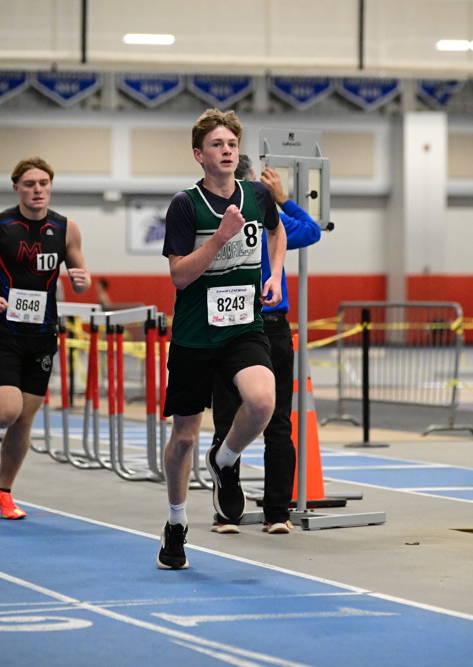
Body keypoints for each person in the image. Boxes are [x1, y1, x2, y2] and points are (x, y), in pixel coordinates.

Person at [158, 109, 285, 569]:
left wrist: (275, 274)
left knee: (262, 402)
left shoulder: (257, 195)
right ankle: (176, 522)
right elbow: (178, 275)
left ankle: (226, 460)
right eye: (217, 144)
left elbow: (277, 231)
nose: (227, 150)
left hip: (243, 328)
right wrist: (220, 237)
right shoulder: (185, 205)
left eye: (232, 143)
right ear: (200, 155)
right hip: (195, 336)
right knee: (184, 438)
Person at [0, 157, 91, 520]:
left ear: (50, 186)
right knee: (5, 412)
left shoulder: (66, 228)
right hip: (5, 332)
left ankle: (4, 492)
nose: (37, 189)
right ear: (17, 187)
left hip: (42, 336)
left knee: (23, 421)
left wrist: (82, 280)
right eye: (29, 184)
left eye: (43, 183)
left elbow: (81, 274)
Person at [211, 154, 322, 534]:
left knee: (230, 421)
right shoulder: (266, 213)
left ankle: (229, 515)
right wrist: (283, 198)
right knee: (276, 423)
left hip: (237, 324)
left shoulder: (224, 216)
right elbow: (312, 230)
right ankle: (276, 513)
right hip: (258, 324)